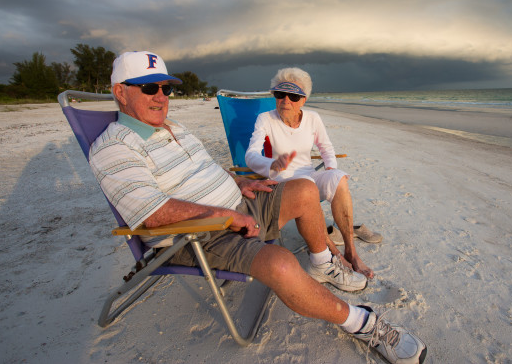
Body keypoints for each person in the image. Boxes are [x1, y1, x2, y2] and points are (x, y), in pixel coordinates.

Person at [89, 51, 427, 364]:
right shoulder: (114, 147)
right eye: (150, 88)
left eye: (166, 88)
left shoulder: (174, 129)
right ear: (120, 92)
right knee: (280, 263)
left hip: (238, 204)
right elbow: (153, 214)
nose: (161, 97)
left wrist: (238, 183)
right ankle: (363, 323)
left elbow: (207, 170)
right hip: (198, 235)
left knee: (306, 189)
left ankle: (323, 263)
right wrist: (228, 215)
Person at [245, 67, 380, 279]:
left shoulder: (313, 118)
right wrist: (272, 164)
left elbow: (325, 148)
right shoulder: (265, 119)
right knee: (308, 186)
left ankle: (351, 251)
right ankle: (334, 254)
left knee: (339, 179)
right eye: (280, 94)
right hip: (284, 180)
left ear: (303, 100)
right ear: (275, 96)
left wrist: (330, 169)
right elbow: (250, 155)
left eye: (294, 96)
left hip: (309, 173)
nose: (286, 100)